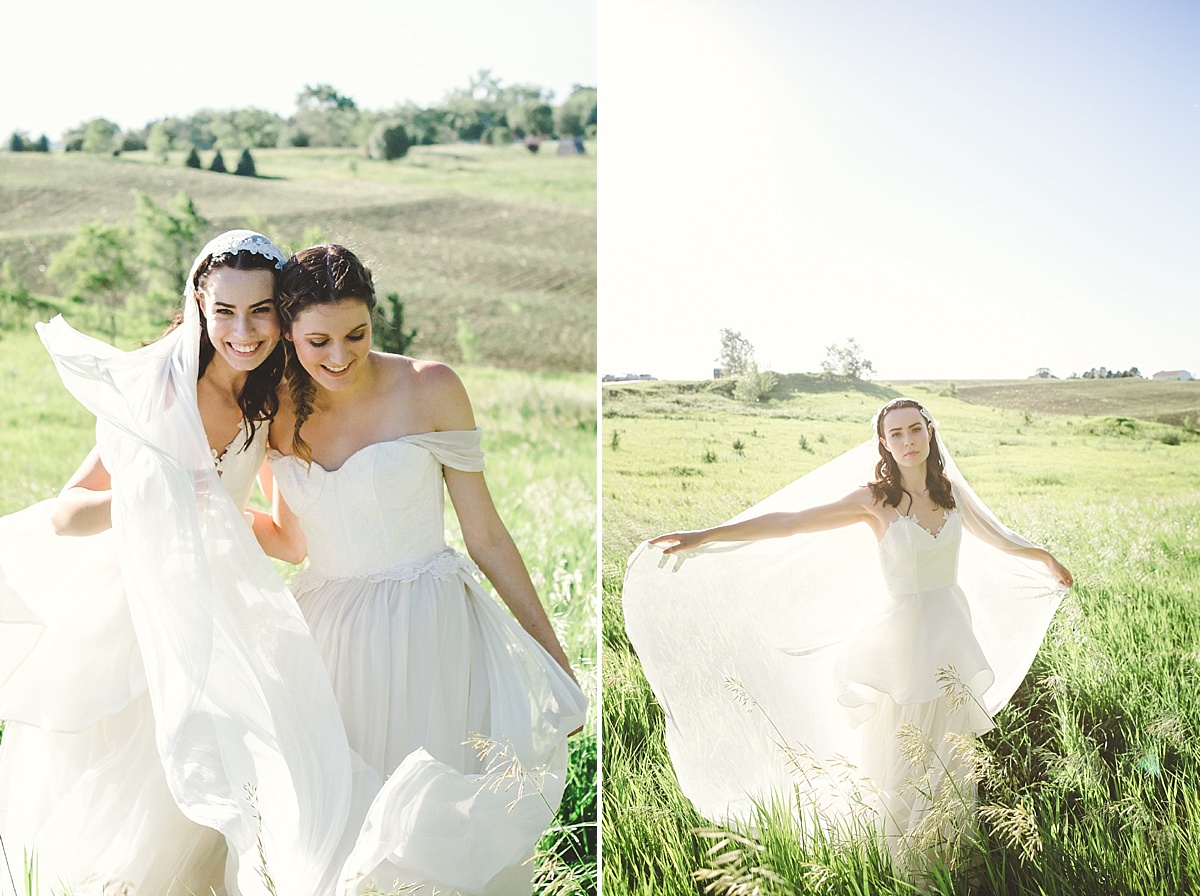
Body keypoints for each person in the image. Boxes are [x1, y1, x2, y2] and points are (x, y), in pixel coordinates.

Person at [254, 243, 588, 894]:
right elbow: (291, 540)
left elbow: (486, 535)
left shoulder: (431, 387)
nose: (340, 356)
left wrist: (556, 663)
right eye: (318, 339)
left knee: (427, 829)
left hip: (429, 630)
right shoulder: (275, 409)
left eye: (357, 333)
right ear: (287, 331)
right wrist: (198, 506)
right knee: (331, 830)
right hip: (326, 638)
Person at [623, 397, 1071, 868]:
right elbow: (792, 524)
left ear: (930, 431)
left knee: (951, 748)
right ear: (884, 443)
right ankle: (905, 861)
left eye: (914, 430)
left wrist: (1044, 558)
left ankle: (952, 854)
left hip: (952, 633)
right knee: (907, 751)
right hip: (904, 643)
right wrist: (706, 535)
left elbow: (999, 536)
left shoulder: (951, 491)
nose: (907, 441)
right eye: (895, 434)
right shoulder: (875, 499)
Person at [0, 230, 288, 895]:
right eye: (224, 310)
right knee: (118, 807)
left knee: (209, 811)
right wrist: (154, 496)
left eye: (262, 310)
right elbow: (66, 514)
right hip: (132, 613)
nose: (242, 330)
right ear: (197, 304)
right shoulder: (156, 390)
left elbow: (275, 528)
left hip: (219, 615)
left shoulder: (271, 398)